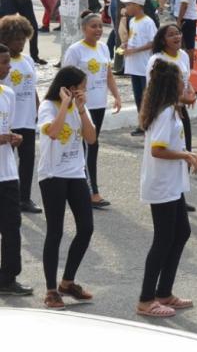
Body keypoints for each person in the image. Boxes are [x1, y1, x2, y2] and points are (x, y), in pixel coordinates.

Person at [136, 60, 197, 318]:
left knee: (182, 232)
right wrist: (185, 156)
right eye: (180, 79)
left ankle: (164, 292)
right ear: (170, 84)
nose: (184, 83)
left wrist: (188, 153)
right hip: (162, 184)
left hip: (172, 184)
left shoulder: (171, 109)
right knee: (163, 239)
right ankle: (146, 299)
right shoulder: (165, 112)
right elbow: (157, 149)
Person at [36, 66, 97, 309]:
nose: (85, 90)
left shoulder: (82, 108)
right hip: (52, 175)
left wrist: (80, 109)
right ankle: (51, 290)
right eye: (82, 86)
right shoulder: (48, 107)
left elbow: (91, 138)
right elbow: (52, 132)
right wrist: (64, 105)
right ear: (70, 88)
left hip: (75, 172)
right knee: (55, 231)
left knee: (86, 228)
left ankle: (67, 282)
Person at [62, 12, 122, 208]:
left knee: (91, 147)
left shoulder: (104, 48)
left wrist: (117, 96)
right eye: (93, 26)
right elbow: (66, 79)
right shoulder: (75, 50)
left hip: (99, 105)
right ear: (83, 29)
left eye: (100, 26)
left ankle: (84, 189)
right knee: (89, 147)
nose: (97, 30)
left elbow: (108, 75)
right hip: (81, 107)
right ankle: (91, 192)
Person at [0, 16, 39, 214]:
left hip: (28, 119)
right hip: (9, 122)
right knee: (6, 162)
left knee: (28, 160)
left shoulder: (28, 60)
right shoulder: (3, 62)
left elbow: (33, 88)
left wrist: (38, 109)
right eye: (17, 39)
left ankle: (24, 198)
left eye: (24, 39)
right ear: (6, 39)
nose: (21, 43)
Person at [0, 43, 30, 296]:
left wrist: (13, 137)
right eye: (4, 63)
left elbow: (5, 130)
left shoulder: (8, 94)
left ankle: (8, 278)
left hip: (7, 173)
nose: (8, 67)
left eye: (9, 62)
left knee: (12, 226)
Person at [120, 0, 157, 136]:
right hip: (133, 66)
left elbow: (153, 42)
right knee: (138, 97)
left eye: (128, 5)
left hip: (143, 66)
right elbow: (132, 39)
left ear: (136, 5)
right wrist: (126, 45)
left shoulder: (148, 22)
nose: (126, 8)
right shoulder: (132, 21)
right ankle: (142, 124)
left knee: (146, 97)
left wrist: (135, 50)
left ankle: (148, 124)